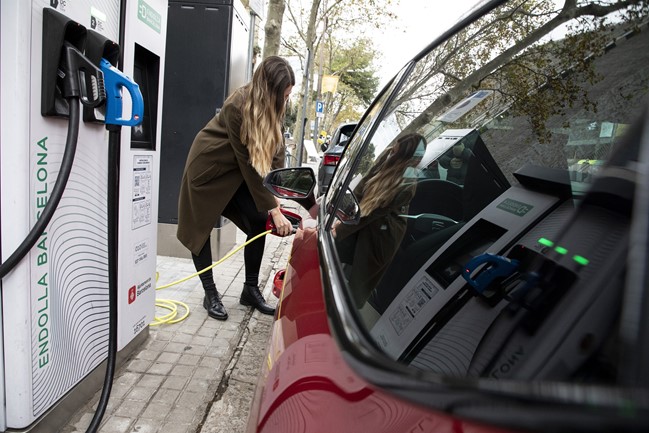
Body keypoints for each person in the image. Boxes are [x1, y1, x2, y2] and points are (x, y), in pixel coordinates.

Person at [177, 56, 296, 320]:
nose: (286, 101)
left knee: (257, 219)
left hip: (236, 172)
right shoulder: (238, 106)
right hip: (209, 168)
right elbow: (249, 165)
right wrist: (274, 210)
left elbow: (275, 152)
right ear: (269, 90)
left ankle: (250, 290)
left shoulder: (276, 105)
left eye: (289, 95)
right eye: (284, 95)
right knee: (199, 229)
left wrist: (276, 199)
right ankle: (210, 294)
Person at [333, 133, 425, 308]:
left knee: (357, 286)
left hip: (383, 235)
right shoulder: (388, 157)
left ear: (403, 156)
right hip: (366, 222)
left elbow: (372, 213)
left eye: (396, 150)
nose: (392, 150)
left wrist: (341, 227)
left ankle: (343, 314)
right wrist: (341, 209)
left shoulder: (406, 183)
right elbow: (362, 187)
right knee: (334, 252)